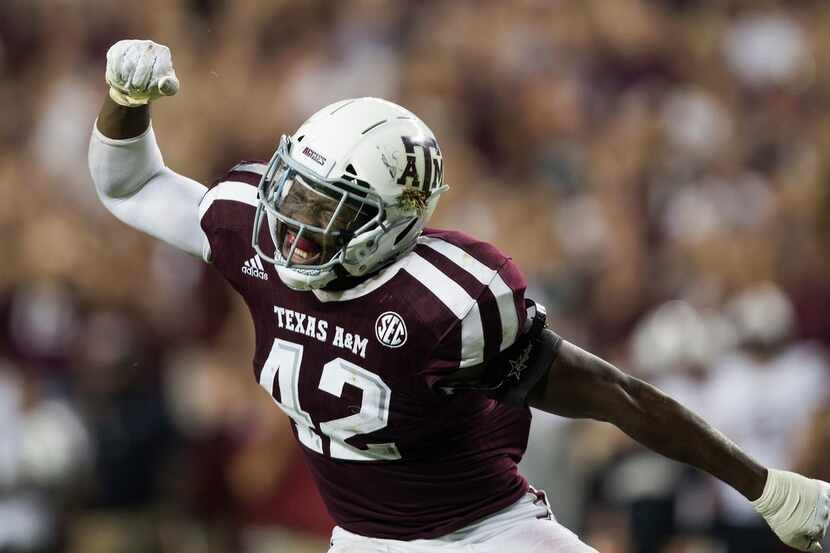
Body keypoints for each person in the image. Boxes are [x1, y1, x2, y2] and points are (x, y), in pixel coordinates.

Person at [88, 40, 830, 553]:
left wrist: (764, 486)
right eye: (297, 193)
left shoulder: (448, 302)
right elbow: (133, 183)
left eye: (329, 208)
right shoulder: (256, 230)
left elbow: (613, 392)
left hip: (487, 534)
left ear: (391, 223)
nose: (293, 225)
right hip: (363, 540)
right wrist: (125, 105)